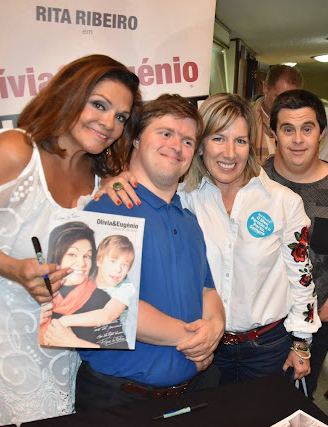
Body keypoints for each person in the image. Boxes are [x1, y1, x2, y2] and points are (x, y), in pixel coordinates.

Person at [0, 54, 140, 425]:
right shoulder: (15, 151)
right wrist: (14, 268)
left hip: (73, 343)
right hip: (9, 341)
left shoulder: (96, 174)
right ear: (69, 95)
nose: (109, 124)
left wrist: (110, 189)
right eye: (99, 105)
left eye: (121, 117)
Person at [75, 94, 225, 409]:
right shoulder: (110, 207)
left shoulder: (188, 220)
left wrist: (214, 329)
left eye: (187, 141)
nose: (177, 146)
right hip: (119, 400)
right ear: (137, 139)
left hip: (191, 392)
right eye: (166, 133)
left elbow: (207, 289)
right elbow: (106, 306)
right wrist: (194, 340)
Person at [179, 93, 320, 384]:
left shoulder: (283, 202)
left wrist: (302, 342)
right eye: (218, 138)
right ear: (200, 144)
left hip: (267, 348)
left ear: (251, 146)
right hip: (203, 345)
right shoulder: (183, 199)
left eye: (240, 141)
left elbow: (301, 277)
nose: (230, 153)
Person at [263, 89, 328, 398]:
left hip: (319, 315)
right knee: (258, 401)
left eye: (307, 129)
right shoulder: (255, 180)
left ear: (321, 133)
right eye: (288, 129)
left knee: (299, 399)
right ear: (273, 134)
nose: (298, 139)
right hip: (264, 320)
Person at [39, 222, 129, 349]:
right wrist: (34, 321)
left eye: (87, 256)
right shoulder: (39, 292)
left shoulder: (100, 300)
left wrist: (73, 342)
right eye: (72, 254)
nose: (82, 263)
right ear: (56, 255)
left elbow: (118, 353)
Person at [253, 65, 303, 162]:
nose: (285, 104)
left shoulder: (301, 124)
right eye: (279, 98)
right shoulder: (246, 119)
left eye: (292, 99)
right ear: (265, 87)